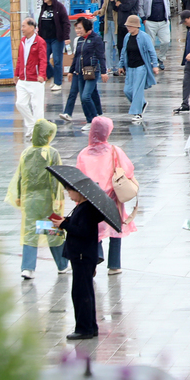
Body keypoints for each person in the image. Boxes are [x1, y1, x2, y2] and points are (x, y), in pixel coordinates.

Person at [7, 120, 67, 279]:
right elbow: (56, 179)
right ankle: (62, 264)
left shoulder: (26, 153)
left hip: (29, 199)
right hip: (47, 198)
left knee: (30, 232)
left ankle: (27, 268)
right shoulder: (52, 153)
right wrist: (59, 198)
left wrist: (19, 195)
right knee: (52, 229)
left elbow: (21, 176)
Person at [75, 117, 135, 275]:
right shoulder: (115, 151)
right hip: (112, 198)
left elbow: (78, 177)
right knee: (116, 228)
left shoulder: (83, 154)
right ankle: (114, 265)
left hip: (92, 199)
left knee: (94, 230)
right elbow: (128, 170)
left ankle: (95, 257)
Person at [52, 185, 104, 340]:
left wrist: (64, 224)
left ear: (79, 192)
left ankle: (84, 328)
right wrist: (65, 221)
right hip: (83, 256)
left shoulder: (86, 209)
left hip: (82, 256)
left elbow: (82, 231)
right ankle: (90, 326)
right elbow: (80, 225)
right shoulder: (83, 207)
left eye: (69, 191)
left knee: (81, 293)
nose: (69, 195)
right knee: (85, 291)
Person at [59, 18, 107, 125]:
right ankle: (90, 120)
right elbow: (76, 56)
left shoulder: (96, 39)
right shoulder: (80, 39)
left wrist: (104, 71)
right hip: (80, 72)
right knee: (83, 98)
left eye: (80, 28)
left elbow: (101, 56)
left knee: (86, 96)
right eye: (76, 28)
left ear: (86, 27)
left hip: (92, 71)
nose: (77, 30)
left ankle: (95, 119)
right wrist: (71, 71)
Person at [119, 15, 159, 123]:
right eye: (128, 26)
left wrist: (155, 65)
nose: (128, 28)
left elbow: (152, 51)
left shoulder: (144, 37)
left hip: (141, 68)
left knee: (137, 90)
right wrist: (120, 65)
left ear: (136, 26)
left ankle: (138, 113)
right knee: (127, 90)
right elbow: (124, 51)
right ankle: (142, 104)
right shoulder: (127, 37)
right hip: (130, 68)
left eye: (130, 26)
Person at [14, 18, 48, 132]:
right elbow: (20, 59)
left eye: (24, 26)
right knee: (20, 103)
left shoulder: (40, 41)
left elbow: (43, 60)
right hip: (23, 79)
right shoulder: (23, 41)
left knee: (37, 107)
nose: (22, 29)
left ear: (32, 27)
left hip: (35, 79)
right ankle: (31, 125)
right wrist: (16, 74)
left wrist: (42, 74)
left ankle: (38, 131)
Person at [38, 0, 70, 92]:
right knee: (43, 60)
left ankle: (58, 82)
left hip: (57, 39)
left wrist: (66, 36)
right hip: (44, 39)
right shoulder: (43, 7)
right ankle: (52, 75)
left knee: (57, 60)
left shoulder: (59, 7)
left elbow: (66, 23)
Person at [139, 0, 171, 71]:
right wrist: (144, 18)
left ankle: (161, 58)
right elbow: (140, 6)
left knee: (166, 41)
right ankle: (153, 61)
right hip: (150, 21)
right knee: (150, 43)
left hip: (163, 21)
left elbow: (167, 4)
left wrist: (168, 16)